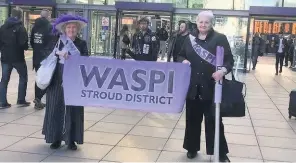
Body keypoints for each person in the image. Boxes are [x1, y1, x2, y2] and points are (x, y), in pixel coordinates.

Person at [178, 11, 233, 162]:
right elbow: (180, 55)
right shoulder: (189, 39)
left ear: (211, 24)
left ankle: (220, 152)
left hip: (212, 88)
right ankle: (191, 148)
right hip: (193, 87)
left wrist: (222, 71)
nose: (203, 25)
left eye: (206, 22)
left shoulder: (220, 38)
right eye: (200, 22)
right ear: (196, 22)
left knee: (214, 121)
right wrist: (183, 61)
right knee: (192, 120)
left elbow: (230, 60)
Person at [42, 14, 88, 150]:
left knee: (72, 109)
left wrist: (73, 57)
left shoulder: (81, 43)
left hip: (74, 80)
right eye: (69, 27)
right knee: (55, 107)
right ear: (64, 29)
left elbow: (86, 60)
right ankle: (55, 138)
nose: (71, 29)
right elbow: (45, 54)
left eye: (74, 27)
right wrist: (57, 53)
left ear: (78, 29)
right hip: (57, 79)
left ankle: (71, 139)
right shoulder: (56, 41)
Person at [0, 8, 30, 109]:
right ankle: (21, 100)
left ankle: (2, 102)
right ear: (20, 16)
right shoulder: (20, 28)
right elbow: (24, 44)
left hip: (5, 58)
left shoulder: (3, 27)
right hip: (18, 58)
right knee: (23, 77)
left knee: (4, 80)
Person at [30, 9, 52, 110]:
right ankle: (39, 98)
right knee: (46, 79)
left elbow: (32, 42)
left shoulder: (35, 27)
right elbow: (51, 42)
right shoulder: (49, 27)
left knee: (39, 78)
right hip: (45, 57)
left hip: (36, 56)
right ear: (48, 16)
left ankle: (37, 98)